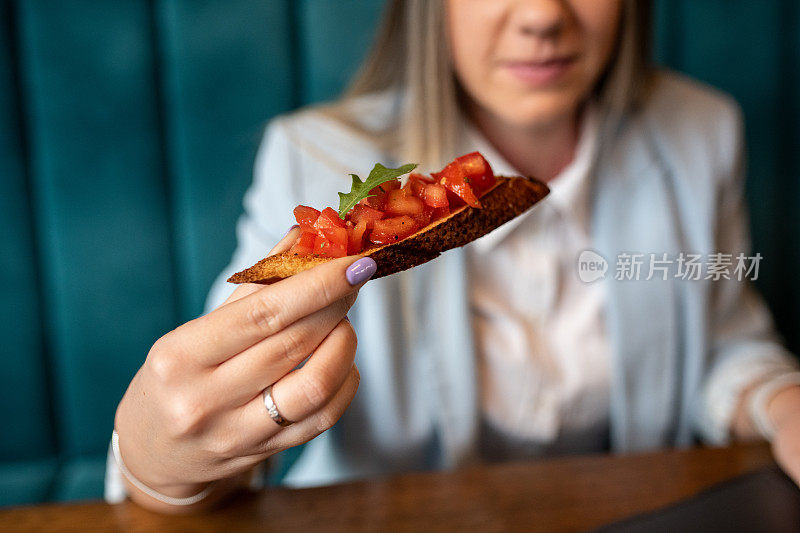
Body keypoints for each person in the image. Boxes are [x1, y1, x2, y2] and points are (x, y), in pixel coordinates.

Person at [107, 0, 800, 514]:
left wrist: (782, 400)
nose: (541, 17)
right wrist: (160, 466)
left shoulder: (702, 132)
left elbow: (724, 342)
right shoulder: (312, 161)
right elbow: (221, 413)